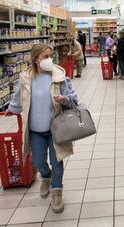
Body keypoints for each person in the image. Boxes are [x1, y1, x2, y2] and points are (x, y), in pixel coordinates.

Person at [6, 43, 78, 214]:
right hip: (35, 130)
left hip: (56, 129)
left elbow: (74, 99)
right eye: (45, 57)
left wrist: (64, 100)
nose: (49, 60)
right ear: (36, 59)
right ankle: (46, 177)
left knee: (57, 160)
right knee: (38, 162)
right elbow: (18, 98)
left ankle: (57, 193)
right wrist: (12, 108)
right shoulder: (26, 78)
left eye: (50, 56)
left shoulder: (59, 75)